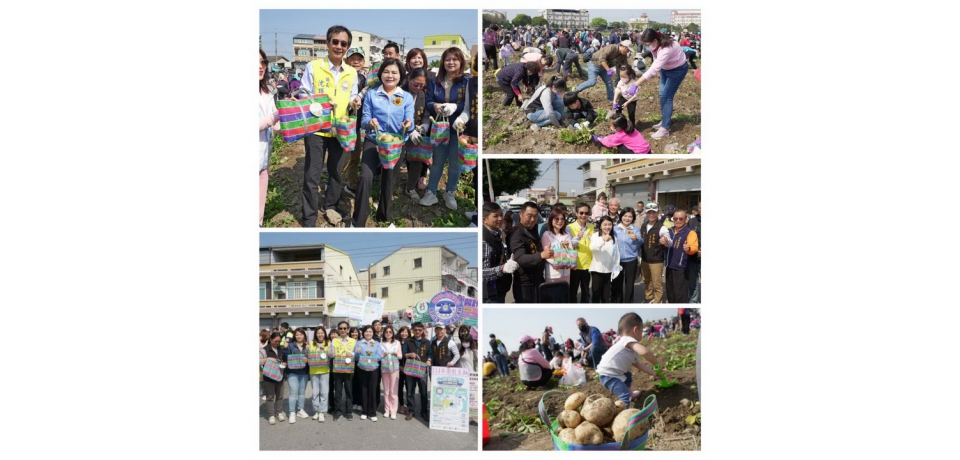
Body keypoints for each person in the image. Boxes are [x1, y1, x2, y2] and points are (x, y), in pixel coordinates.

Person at [300, 25, 359, 227]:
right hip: (316, 129)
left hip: (340, 130)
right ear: (327, 43)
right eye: (335, 42)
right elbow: (303, 93)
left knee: (336, 171)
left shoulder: (351, 72)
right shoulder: (314, 67)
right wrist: (319, 103)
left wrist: (355, 102)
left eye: (344, 43)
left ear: (347, 47)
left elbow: (353, 95)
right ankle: (309, 217)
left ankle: (330, 205)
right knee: (312, 175)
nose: (339, 46)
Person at [352, 58, 414, 226]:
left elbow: (411, 121)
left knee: (388, 180)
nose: (390, 76)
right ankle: (358, 221)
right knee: (365, 177)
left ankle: (383, 217)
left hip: (396, 144)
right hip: (374, 141)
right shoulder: (372, 94)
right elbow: (364, 120)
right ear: (380, 74)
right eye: (386, 72)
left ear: (400, 76)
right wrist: (370, 123)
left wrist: (408, 125)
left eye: (394, 72)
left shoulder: (406, 97)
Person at [420, 47, 472, 210]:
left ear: (461, 62)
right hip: (439, 128)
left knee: (455, 163)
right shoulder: (435, 81)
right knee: (437, 162)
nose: (451, 62)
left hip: (458, 127)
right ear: (443, 62)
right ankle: (431, 192)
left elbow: (468, 105)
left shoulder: (466, 82)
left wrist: (454, 107)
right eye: (448, 59)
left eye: (455, 59)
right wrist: (435, 106)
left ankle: (450, 192)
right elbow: (428, 101)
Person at [635, 29, 690, 140]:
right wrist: (659, 71)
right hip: (665, 69)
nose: (648, 47)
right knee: (661, 94)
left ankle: (665, 128)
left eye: (648, 44)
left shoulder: (667, 48)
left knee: (667, 96)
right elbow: (656, 59)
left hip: (677, 70)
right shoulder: (656, 45)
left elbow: (653, 68)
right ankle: (665, 120)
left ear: (655, 40)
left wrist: (636, 84)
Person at [597, 313, 661, 405]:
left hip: (613, 372)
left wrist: (653, 373)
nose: (642, 334)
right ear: (636, 330)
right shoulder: (627, 340)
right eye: (641, 331)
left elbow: (638, 364)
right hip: (608, 375)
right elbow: (645, 352)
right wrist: (657, 364)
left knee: (627, 375)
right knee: (625, 396)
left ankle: (630, 393)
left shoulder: (627, 345)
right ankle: (623, 411)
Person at [508, 202, 553, 303]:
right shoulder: (515, 234)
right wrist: (541, 255)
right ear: (521, 214)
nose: (533, 219)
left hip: (538, 279)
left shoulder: (532, 229)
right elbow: (520, 258)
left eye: (535, 216)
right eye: (529, 216)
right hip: (525, 284)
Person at [401, 68, 431, 200]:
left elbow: (426, 114)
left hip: (417, 132)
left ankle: (410, 187)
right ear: (409, 79)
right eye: (415, 84)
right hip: (400, 133)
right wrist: (409, 130)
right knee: (396, 160)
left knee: (416, 160)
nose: (418, 88)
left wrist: (424, 126)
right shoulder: (399, 92)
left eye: (421, 85)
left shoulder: (422, 95)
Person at [259, 49, 281, 227]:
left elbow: (275, 123)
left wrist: (291, 117)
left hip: (263, 155)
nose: (260, 66)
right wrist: (275, 117)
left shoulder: (267, 92)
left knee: (260, 198)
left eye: (263, 62)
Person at [482, 202, 518, 303]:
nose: (500, 219)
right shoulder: (484, 240)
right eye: (495, 216)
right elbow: (482, 272)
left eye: (501, 215)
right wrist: (502, 269)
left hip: (500, 288)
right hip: (490, 295)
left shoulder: (496, 233)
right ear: (484, 219)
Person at [661, 210, 699, 303]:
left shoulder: (690, 232)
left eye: (681, 219)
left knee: (680, 296)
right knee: (670, 293)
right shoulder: (670, 230)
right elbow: (666, 245)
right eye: (675, 218)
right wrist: (663, 242)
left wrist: (688, 248)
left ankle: (680, 311)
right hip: (669, 267)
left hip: (681, 269)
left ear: (686, 219)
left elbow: (694, 247)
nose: (678, 221)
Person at [639, 202, 669, 303]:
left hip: (656, 260)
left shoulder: (662, 227)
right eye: (649, 212)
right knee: (646, 280)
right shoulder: (643, 226)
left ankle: (658, 301)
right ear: (646, 213)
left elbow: (670, 243)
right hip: (644, 259)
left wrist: (666, 241)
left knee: (657, 283)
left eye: (654, 212)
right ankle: (649, 297)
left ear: (658, 213)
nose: (651, 215)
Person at [403, 322, 431, 421]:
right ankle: (411, 411)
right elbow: (403, 354)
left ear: (422, 330)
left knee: (423, 392)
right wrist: (409, 354)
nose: (417, 332)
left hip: (422, 369)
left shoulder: (427, 342)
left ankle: (424, 412)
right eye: (415, 330)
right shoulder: (408, 341)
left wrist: (429, 360)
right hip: (410, 369)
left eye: (420, 330)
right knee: (410, 392)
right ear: (412, 330)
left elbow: (430, 354)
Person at [612, 207, 641, 303]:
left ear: (633, 218)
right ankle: (618, 302)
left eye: (630, 216)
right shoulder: (615, 229)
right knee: (618, 283)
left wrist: (637, 238)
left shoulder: (635, 229)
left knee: (629, 283)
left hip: (631, 260)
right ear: (621, 216)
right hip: (618, 260)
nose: (627, 218)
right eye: (625, 216)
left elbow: (641, 242)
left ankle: (628, 303)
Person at [330, 321, 357, 421]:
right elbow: (331, 354)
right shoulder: (334, 341)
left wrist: (352, 354)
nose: (343, 330)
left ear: (348, 330)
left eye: (345, 328)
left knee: (349, 391)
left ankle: (349, 411)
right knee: (338, 391)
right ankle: (338, 411)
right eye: (341, 328)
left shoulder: (353, 341)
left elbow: (356, 353)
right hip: (337, 369)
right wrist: (331, 353)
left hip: (349, 369)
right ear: (338, 330)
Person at [354, 325, 381, 421]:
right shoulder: (359, 343)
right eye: (366, 331)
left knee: (372, 389)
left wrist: (371, 355)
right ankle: (364, 411)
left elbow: (379, 356)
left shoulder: (376, 343)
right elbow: (356, 358)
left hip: (374, 369)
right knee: (363, 389)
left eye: (370, 331)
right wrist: (357, 353)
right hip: (362, 368)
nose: (368, 333)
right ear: (363, 333)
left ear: (373, 333)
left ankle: (372, 412)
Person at [568, 202, 594, 303]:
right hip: (575, 264)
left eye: (586, 213)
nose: (583, 215)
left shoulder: (591, 227)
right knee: (573, 291)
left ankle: (585, 307)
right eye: (581, 213)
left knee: (586, 292)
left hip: (587, 265)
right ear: (576, 213)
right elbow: (568, 245)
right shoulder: (569, 227)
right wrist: (577, 237)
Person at [541, 206, 573, 290]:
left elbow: (571, 252)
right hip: (553, 274)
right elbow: (547, 255)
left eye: (562, 219)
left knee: (564, 295)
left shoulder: (566, 235)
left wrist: (566, 249)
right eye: (556, 219)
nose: (560, 221)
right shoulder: (546, 235)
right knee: (552, 295)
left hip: (566, 272)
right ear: (551, 220)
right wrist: (560, 263)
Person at [589, 216, 619, 303]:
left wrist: (616, 266)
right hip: (597, 270)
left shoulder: (614, 238)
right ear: (600, 226)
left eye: (610, 224)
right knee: (596, 294)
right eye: (605, 225)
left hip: (609, 270)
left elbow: (616, 253)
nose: (607, 227)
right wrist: (603, 240)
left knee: (606, 295)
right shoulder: (595, 236)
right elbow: (593, 248)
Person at [284, 328, 310, 423]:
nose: (299, 336)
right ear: (294, 336)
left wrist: (308, 353)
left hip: (304, 372)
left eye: (301, 334)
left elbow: (312, 358)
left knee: (302, 392)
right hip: (292, 372)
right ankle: (292, 412)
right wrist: (285, 348)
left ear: (304, 335)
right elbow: (285, 357)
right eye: (297, 335)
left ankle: (300, 410)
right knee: (293, 392)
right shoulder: (291, 345)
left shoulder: (307, 345)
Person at [307, 326, 332, 422]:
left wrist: (327, 350)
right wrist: (307, 350)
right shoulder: (311, 343)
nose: (320, 335)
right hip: (313, 371)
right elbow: (307, 355)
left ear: (325, 334)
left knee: (324, 392)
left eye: (322, 333)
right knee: (315, 392)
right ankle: (316, 410)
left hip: (325, 371)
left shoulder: (328, 343)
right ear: (315, 334)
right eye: (318, 333)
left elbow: (332, 355)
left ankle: (322, 411)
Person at [260, 332, 285, 424]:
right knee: (270, 396)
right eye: (275, 341)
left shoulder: (280, 348)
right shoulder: (264, 350)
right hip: (269, 377)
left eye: (279, 341)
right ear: (270, 339)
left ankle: (279, 413)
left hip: (280, 375)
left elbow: (283, 359)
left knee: (280, 396)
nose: (277, 343)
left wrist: (284, 363)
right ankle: (271, 415)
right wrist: (267, 359)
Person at [377, 326, 401, 419]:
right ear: (384, 333)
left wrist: (396, 354)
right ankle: (387, 410)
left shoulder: (397, 343)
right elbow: (379, 356)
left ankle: (393, 411)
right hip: (384, 368)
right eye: (386, 332)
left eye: (390, 332)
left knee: (393, 391)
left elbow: (400, 356)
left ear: (392, 333)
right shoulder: (381, 343)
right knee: (386, 391)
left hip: (394, 368)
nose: (388, 333)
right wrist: (383, 355)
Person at [687, 202, 701, 303]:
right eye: (700, 208)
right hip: (693, 257)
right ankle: (692, 301)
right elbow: (687, 237)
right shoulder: (692, 222)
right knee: (693, 282)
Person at [395, 326, 411, 415]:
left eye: (406, 332)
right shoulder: (396, 342)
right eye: (402, 332)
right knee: (399, 387)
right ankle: (401, 405)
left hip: (409, 368)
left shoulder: (411, 342)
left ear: (408, 333)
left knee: (409, 388)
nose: (404, 333)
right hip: (399, 368)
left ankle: (408, 406)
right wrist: (399, 366)